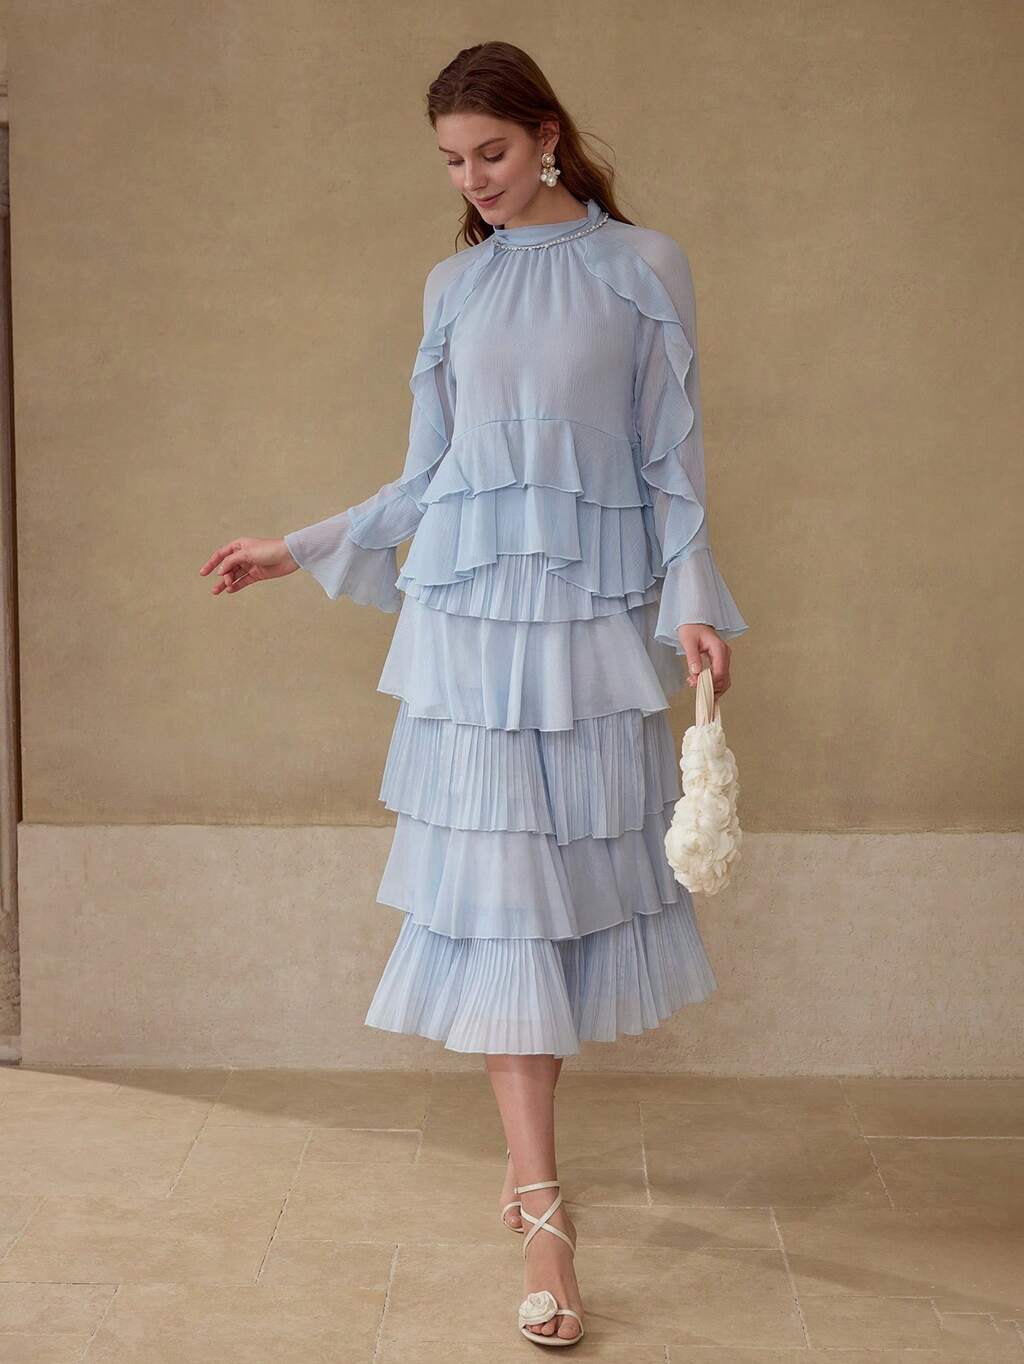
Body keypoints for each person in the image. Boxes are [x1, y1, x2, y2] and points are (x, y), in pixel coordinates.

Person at [199, 40, 747, 1350]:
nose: (473, 180)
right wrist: (299, 547)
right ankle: (548, 1217)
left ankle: (527, 1174)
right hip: (467, 630)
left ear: (547, 134)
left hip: (584, 624)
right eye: (452, 162)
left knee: (559, 901)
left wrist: (694, 602)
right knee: (501, 900)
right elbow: (430, 475)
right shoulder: (454, 285)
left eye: (490, 153)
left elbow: (672, 462)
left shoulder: (644, 265)